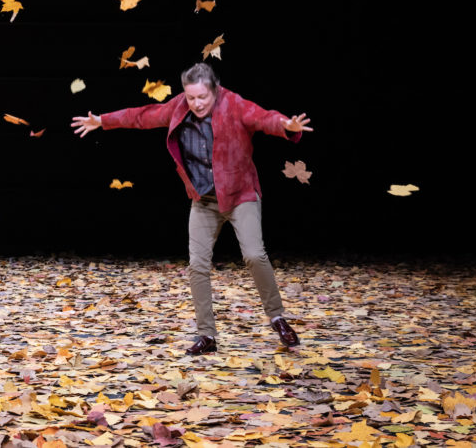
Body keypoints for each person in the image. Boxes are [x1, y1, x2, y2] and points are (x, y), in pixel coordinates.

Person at [71, 62, 311, 354]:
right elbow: (143, 116)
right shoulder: (179, 107)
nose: (196, 103)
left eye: (202, 97)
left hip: (240, 195)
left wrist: (286, 126)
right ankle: (207, 335)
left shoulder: (233, 103)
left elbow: (263, 118)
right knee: (197, 265)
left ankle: (277, 318)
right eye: (191, 97)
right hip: (204, 199)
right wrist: (103, 121)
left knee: (254, 255)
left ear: (215, 90)